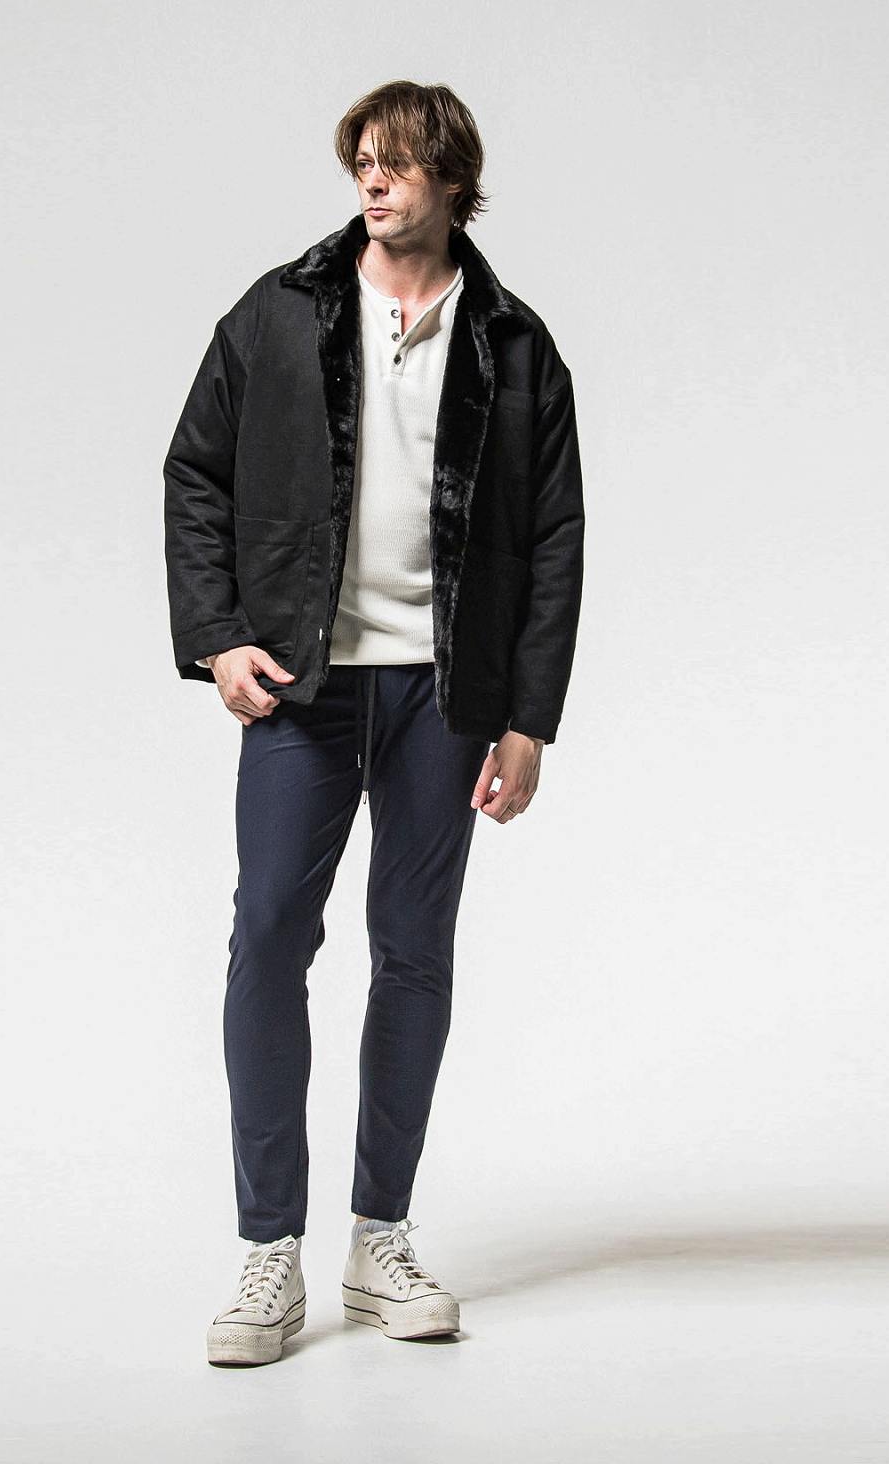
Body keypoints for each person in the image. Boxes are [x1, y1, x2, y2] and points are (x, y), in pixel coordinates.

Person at [162, 80, 585, 1366]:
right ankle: (267, 1252)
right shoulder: (280, 311)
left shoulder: (512, 343)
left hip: (443, 697)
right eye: (360, 161)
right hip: (303, 684)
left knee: (413, 954)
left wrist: (527, 719)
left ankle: (378, 1237)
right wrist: (217, 635)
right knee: (266, 942)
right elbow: (196, 471)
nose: (372, 181)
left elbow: (554, 538)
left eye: (395, 162)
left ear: (450, 177)